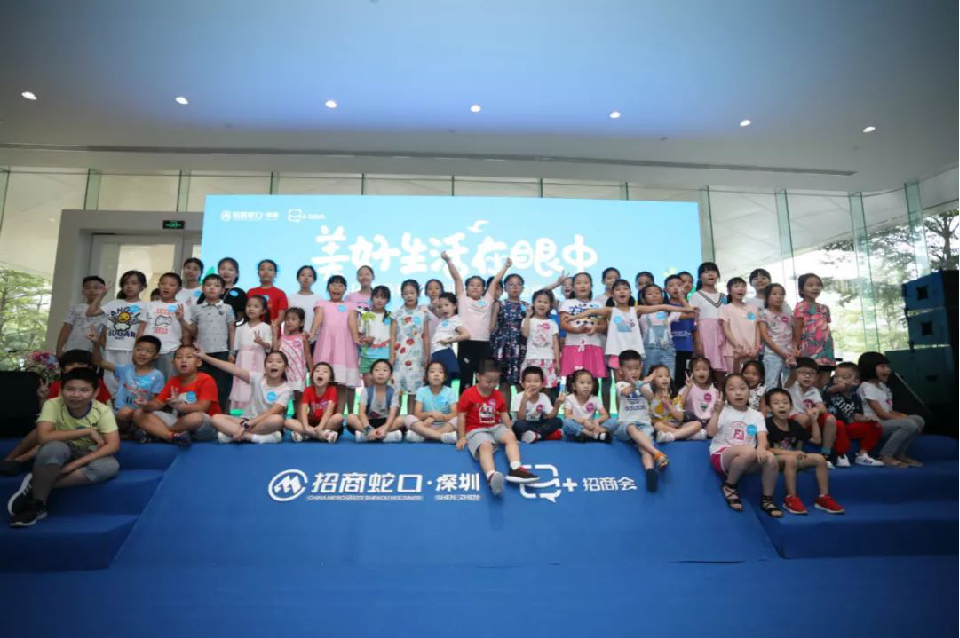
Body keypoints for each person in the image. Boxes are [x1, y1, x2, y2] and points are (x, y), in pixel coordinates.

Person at [6, 367, 120, 528]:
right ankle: (37, 504)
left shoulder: (103, 411)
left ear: (95, 393)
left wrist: (74, 465)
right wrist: (87, 431)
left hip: (87, 452)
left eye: (84, 390)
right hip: (62, 448)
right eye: (70, 389)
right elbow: (42, 437)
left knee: (109, 467)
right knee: (53, 448)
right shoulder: (53, 404)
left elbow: (113, 445)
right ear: (61, 390)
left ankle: (37, 483)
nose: (76, 395)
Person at [0, 350, 113, 477]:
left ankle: (21, 460)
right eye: (71, 364)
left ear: (90, 368)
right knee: (40, 432)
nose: (76, 367)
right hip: (60, 427)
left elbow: (104, 410)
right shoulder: (56, 386)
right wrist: (43, 398)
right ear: (63, 369)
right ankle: (9, 459)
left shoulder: (97, 385)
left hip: (88, 429)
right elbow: (46, 415)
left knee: (53, 438)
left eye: (81, 364)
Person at [455, 358, 538, 495]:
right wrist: (462, 437)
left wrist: (510, 431)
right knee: (485, 446)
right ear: (478, 376)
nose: (492, 385)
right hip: (476, 430)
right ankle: (491, 476)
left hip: (495, 427)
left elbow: (504, 415)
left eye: (495, 382)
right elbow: (461, 416)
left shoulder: (498, 395)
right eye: (488, 382)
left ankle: (516, 468)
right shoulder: (468, 394)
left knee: (510, 436)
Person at [708, 373, 782, 518]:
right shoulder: (723, 411)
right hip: (722, 455)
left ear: (750, 391)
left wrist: (761, 447)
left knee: (770, 458)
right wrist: (716, 413)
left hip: (746, 460)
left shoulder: (756, 415)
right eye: (732, 389)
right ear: (725, 394)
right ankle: (729, 486)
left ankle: (767, 499)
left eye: (742, 388)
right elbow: (711, 433)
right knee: (749, 451)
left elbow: (761, 436)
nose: (738, 393)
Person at [765, 388, 845, 515]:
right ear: (769, 408)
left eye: (785, 402)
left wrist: (813, 421)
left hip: (794, 458)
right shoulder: (766, 424)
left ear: (791, 406)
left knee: (820, 458)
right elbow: (766, 449)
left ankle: (823, 497)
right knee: (791, 459)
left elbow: (817, 440)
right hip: (774, 460)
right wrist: (792, 453)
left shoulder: (794, 425)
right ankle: (791, 498)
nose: (782, 405)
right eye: (776, 403)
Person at [442, 252, 510, 395]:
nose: (475, 287)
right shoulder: (462, 299)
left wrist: (505, 267)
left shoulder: (487, 300)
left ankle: (483, 406)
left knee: (484, 380)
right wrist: (448, 261)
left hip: (483, 344)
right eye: (472, 285)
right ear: (466, 288)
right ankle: (464, 407)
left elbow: (495, 280)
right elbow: (457, 277)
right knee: (466, 379)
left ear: (483, 289)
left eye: (479, 285)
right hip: (466, 344)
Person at [607, 350, 669, 491]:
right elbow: (626, 392)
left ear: (641, 368)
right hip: (624, 426)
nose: (633, 372)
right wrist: (641, 382)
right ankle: (658, 454)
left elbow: (650, 397)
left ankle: (650, 472)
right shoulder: (620, 385)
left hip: (644, 424)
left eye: (636, 368)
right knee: (631, 427)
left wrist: (642, 384)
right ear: (621, 370)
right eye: (629, 369)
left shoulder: (645, 385)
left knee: (644, 448)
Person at [133, 344, 221, 444]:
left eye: (189, 357)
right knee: (138, 413)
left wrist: (180, 407)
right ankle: (171, 436)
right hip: (179, 423)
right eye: (179, 357)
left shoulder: (206, 379)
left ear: (198, 362)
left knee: (195, 418)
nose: (183, 360)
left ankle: (158, 432)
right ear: (173, 363)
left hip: (205, 425)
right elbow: (158, 403)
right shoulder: (173, 381)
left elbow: (203, 407)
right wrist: (146, 404)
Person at [202, 349, 291, 444]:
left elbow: (271, 413)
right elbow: (233, 369)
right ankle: (253, 437)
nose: (273, 364)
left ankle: (232, 434)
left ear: (285, 368)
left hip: (265, 423)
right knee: (215, 418)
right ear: (265, 366)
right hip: (247, 420)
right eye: (270, 361)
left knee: (277, 419)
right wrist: (205, 357)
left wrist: (247, 425)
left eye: (279, 361)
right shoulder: (257, 378)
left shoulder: (286, 389)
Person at [857, 351, 925, 468]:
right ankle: (885, 455)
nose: (888, 370)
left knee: (918, 420)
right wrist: (904, 419)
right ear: (870, 368)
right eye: (882, 367)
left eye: (888, 366)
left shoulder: (883, 386)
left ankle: (900, 453)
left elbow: (888, 410)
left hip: (886, 421)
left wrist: (903, 416)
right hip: (874, 424)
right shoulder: (866, 386)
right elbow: (881, 413)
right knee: (909, 424)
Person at [88, 269, 148, 396]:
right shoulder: (114, 304)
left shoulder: (146, 306)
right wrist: (101, 295)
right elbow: (90, 313)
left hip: (130, 350)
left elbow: (142, 331)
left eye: (134, 283)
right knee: (110, 384)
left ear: (142, 287)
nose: (129, 286)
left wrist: (138, 350)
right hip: (110, 349)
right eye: (126, 283)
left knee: (129, 384)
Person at [309, 275, 361, 414]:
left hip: (344, 347)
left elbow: (352, 323)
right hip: (326, 345)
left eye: (340, 285)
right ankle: (320, 415)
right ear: (327, 288)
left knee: (341, 385)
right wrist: (312, 333)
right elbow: (318, 318)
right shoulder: (321, 303)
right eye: (333, 285)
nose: (336, 288)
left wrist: (357, 338)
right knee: (323, 383)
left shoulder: (350, 305)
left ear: (345, 289)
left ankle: (339, 416)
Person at [94, 335, 164, 437]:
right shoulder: (125, 370)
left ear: (156, 355)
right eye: (139, 349)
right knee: (124, 411)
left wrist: (146, 406)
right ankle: (136, 432)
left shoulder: (157, 375)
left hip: (141, 415)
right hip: (121, 415)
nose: (143, 353)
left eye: (149, 351)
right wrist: (96, 344)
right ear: (133, 350)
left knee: (144, 415)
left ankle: (136, 432)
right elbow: (98, 362)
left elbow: (155, 402)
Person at [185, 273, 236, 412]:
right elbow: (193, 331)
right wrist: (181, 320)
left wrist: (232, 352)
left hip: (221, 352)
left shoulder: (227, 308)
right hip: (200, 353)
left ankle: (219, 416)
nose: (212, 288)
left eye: (216, 285)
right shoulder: (196, 308)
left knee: (221, 386)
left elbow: (232, 330)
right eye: (208, 285)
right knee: (201, 385)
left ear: (222, 290)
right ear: (202, 289)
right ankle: (200, 414)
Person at [821, 362, 885, 467]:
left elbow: (855, 415)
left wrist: (866, 418)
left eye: (844, 377)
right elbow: (829, 391)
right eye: (836, 376)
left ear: (856, 381)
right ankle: (840, 455)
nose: (839, 380)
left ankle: (863, 455)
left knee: (876, 426)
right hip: (832, 426)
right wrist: (838, 387)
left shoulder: (855, 395)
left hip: (849, 426)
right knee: (839, 424)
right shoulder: (829, 387)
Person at [559, 272, 608, 395]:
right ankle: (570, 405)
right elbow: (563, 324)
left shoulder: (598, 305)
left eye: (586, 282)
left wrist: (596, 328)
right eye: (578, 283)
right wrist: (576, 330)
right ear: (573, 287)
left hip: (593, 346)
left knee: (592, 380)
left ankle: (592, 405)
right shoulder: (567, 303)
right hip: (573, 346)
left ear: (591, 285)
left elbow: (604, 326)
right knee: (572, 380)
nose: (582, 286)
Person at [786, 357, 839, 467]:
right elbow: (791, 377)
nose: (807, 376)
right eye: (803, 373)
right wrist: (793, 367)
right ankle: (796, 449)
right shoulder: (791, 385)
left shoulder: (814, 391)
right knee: (803, 418)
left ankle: (825, 454)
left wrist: (816, 409)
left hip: (809, 419)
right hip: (792, 419)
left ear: (816, 377)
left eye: (811, 374)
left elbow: (823, 409)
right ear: (796, 374)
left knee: (831, 418)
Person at [637, 283, 696, 377]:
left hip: (667, 350)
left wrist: (681, 298)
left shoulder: (669, 312)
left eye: (657, 293)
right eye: (650, 294)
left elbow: (692, 314)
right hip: (649, 351)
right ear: (643, 298)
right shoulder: (640, 312)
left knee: (669, 377)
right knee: (648, 376)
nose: (654, 295)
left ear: (662, 296)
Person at [136, 271, 187, 381]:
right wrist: (138, 348)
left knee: (168, 381)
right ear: (158, 285)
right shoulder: (149, 305)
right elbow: (141, 327)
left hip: (170, 350)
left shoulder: (182, 306)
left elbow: (186, 331)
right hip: (148, 351)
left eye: (171, 285)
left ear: (179, 289)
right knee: (146, 380)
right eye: (163, 283)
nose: (166, 287)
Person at [229, 295, 273, 414]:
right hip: (242, 360)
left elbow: (269, 346)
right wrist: (232, 356)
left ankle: (257, 411)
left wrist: (261, 342)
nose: (251, 308)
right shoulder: (240, 328)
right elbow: (236, 348)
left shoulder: (266, 327)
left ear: (263, 311)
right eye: (249, 306)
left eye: (256, 306)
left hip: (258, 359)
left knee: (257, 383)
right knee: (242, 383)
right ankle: (243, 413)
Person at [392, 280, 431, 410]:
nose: (409, 296)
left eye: (412, 293)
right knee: (397, 390)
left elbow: (426, 336)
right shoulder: (396, 313)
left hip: (417, 358)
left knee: (414, 391)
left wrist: (427, 355)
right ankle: (395, 419)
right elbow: (392, 336)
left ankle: (411, 420)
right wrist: (391, 356)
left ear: (418, 294)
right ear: (401, 295)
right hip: (399, 358)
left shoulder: (423, 313)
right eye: (406, 293)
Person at [490, 273, 527, 403]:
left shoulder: (527, 306)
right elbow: (491, 327)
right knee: (504, 383)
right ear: (505, 288)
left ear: (523, 288)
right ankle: (504, 413)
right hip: (503, 347)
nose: (515, 287)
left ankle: (522, 413)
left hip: (521, 347)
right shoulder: (499, 304)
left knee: (522, 382)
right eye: (511, 285)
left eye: (518, 285)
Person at [345, 359, 402, 443]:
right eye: (377, 370)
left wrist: (384, 428)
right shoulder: (366, 391)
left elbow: (392, 415)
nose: (381, 373)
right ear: (371, 375)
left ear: (390, 376)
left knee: (402, 420)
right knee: (350, 417)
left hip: (385, 422)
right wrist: (368, 429)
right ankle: (382, 435)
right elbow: (362, 413)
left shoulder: (393, 392)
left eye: (385, 370)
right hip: (368, 422)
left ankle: (366, 436)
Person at [793, 272, 835, 388]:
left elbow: (825, 327)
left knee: (825, 381)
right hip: (809, 350)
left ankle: (823, 399)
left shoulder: (824, 307)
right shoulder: (800, 306)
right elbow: (797, 330)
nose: (815, 288)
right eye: (810, 285)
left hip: (827, 349)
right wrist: (799, 347)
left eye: (818, 285)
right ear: (801, 290)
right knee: (811, 381)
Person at [403, 361, 459, 444]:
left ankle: (423, 436)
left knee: (459, 419)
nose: (436, 374)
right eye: (432, 371)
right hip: (425, 424)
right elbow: (418, 414)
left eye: (440, 372)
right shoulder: (421, 391)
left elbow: (454, 414)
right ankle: (441, 436)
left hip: (444, 425)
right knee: (409, 417)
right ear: (426, 377)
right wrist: (431, 414)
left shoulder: (450, 392)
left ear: (445, 377)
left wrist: (440, 417)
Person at [649, 364, 707, 443]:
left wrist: (668, 405)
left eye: (667, 376)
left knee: (697, 424)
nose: (664, 378)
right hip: (662, 427)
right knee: (657, 425)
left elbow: (680, 418)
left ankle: (672, 436)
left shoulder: (673, 396)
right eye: (660, 376)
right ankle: (686, 435)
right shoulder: (649, 396)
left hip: (677, 426)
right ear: (652, 380)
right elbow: (650, 419)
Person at [690, 262, 727, 385]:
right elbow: (693, 321)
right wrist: (697, 342)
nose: (710, 274)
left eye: (713, 271)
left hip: (723, 335)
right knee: (706, 369)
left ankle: (721, 394)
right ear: (700, 277)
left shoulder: (723, 296)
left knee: (722, 371)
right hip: (706, 336)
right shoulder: (696, 296)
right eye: (706, 272)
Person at [288, 362, 343, 443]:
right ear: (312, 376)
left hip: (326, 422)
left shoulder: (332, 390)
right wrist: (306, 427)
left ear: (330, 379)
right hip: (311, 422)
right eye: (317, 371)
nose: (320, 373)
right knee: (288, 422)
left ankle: (306, 435)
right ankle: (322, 435)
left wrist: (320, 426)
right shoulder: (308, 390)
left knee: (339, 417)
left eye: (325, 372)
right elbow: (303, 410)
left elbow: (329, 412)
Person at [520, 289, 562, 393]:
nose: (542, 304)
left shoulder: (552, 323)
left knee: (547, 390)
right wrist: (528, 315)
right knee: (530, 390)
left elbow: (556, 344)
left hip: (548, 359)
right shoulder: (526, 320)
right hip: (532, 359)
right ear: (533, 303)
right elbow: (525, 334)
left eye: (545, 302)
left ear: (550, 306)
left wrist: (557, 362)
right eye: (539, 301)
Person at [511, 366, 563, 444]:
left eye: (536, 381)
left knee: (558, 421)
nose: (532, 384)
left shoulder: (543, 397)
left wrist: (557, 405)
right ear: (523, 384)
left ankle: (536, 435)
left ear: (542, 384)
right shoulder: (519, 397)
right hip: (524, 424)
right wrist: (525, 399)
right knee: (519, 425)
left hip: (537, 424)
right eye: (528, 381)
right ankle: (543, 435)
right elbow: (521, 418)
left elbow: (550, 416)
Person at [56, 275, 106, 357]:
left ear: (104, 290)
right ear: (83, 291)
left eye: (96, 288)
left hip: (96, 353)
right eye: (87, 288)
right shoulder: (76, 308)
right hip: (73, 350)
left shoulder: (107, 309)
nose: (92, 290)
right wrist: (59, 349)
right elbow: (65, 329)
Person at [718, 276, 759, 374]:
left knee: (751, 379)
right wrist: (737, 345)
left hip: (751, 352)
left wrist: (756, 349)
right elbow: (726, 329)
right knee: (734, 378)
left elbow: (757, 328)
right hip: (733, 351)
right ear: (729, 291)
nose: (740, 289)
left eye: (743, 286)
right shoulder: (726, 308)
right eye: (736, 286)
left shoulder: (753, 308)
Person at [758, 283, 795, 389]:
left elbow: (793, 335)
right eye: (774, 294)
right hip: (772, 354)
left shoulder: (787, 315)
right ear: (767, 297)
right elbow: (764, 337)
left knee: (789, 384)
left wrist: (792, 352)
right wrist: (781, 353)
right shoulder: (764, 314)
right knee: (771, 384)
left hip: (789, 355)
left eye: (782, 294)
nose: (779, 297)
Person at [246, 259, 289, 350]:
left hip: (271, 335)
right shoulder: (251, 292)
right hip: (252, 334)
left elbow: (281, 317)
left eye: (270, 269)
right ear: (258, 273)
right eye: (262, 269)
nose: (266, 272)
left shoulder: (280, 293)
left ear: (275, 274)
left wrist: (267, 329)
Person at [561, 369, 614, 442]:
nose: (586, 386)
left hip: (591, 426)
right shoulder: (570, 398)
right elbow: (567, 416)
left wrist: (596, 421)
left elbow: (605, 415)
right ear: (574, 386)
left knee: (614, 421)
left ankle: (592, 432)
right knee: (566, 423)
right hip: (576, 426)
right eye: (582, 383)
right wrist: (583, 421)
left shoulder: (595, 399)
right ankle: (594, 435)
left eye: (589, 383)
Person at [429, 292, 469, 386]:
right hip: (436, 352)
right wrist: (435, 304)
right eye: (441, 306)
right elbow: (432, 308)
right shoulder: (443, 318)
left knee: (445, 382)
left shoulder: (456, 320)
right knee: (437, 383)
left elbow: (466, 335)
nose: (443, 308)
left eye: (446, 305)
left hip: (444, 352)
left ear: (455, 306)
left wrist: (449, 340)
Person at [358, 286, 394, 386]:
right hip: (367, 356)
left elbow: (394, 336)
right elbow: (358, 335)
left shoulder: (391, 315)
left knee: (383, 389)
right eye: (376, 297)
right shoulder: (365, 315)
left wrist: (392, 357)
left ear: (387, 300)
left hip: (385, 356)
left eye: (383, 297)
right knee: (368, 388)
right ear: (372, 298)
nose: (379, 300)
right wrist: (365, 339)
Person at [665, 274, 695, 385]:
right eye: (671, 285)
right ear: (665, 289)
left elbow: (693, 327)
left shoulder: (688, 306)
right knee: (671, 378)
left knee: (685, 378)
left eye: (679, 285)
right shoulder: (664, 307)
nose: (675, 288)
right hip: (670, 349)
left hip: (687, 348)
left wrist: (683, 299)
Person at [279, 308, 312, 404]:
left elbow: (308, 354)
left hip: (298, 373)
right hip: (284, 373)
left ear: (301, 323)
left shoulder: (303, 338)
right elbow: (276, 352)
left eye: (293, 319)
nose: (289, 322)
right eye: (287, 319)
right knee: (282, 398)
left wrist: (312, 370)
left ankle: (299, 412)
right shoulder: (282, 338)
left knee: (298, 397)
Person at [679, 356, 719, 431]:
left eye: (705, 369)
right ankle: (673, 433)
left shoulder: (715, 391)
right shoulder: (688, 387)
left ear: (709, 372)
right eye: (697, 370)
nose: (701, 372)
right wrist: (687, 389)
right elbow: (679, 406)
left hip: (707, 423)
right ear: (692, 372)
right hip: (691, 421)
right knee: (697, 425)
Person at [287, 265, 323, 337]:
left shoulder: (319, 298)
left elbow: (320, 319)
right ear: (298, 278)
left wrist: (312, 334)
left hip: (314, 338)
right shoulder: (291, 298)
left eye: (310, 276)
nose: (306, 278)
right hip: (294, 339)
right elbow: (287, 321)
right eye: (303, 275)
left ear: (314, 280)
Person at [217, 257, 247, 324]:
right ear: (218, 272)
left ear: (237, 274)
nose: (226, 272)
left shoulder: (240, 293)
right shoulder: (210, 289)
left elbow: (241, 317)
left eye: (230, 270)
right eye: (222, 269)